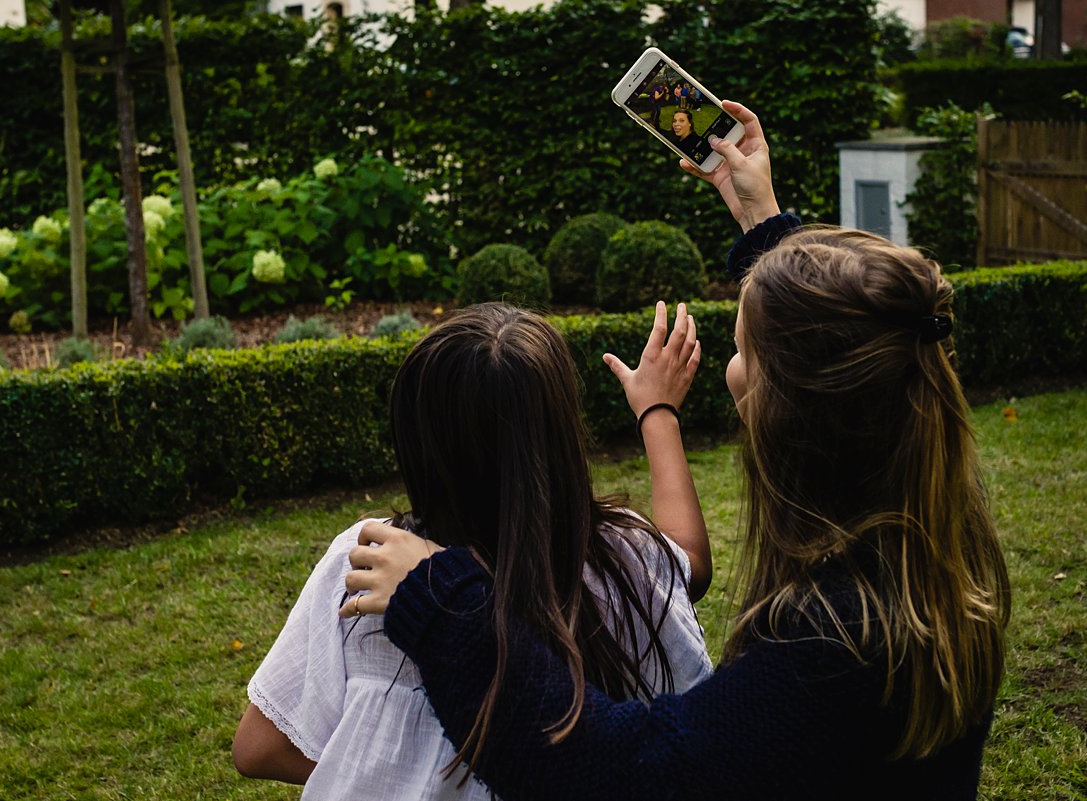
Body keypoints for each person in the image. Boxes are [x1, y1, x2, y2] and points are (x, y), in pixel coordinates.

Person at [340, 100, 1012, 801]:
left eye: (743, 349)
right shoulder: (942, 530)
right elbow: (865, 352)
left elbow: (622, 773)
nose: (730, 369)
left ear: (794, 413)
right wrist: (765, 221)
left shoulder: (835, 640)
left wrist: (444, 600)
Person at [232, 301, 716, 799]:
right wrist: (657, 413)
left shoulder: (365, 563)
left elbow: (258, 747)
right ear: (561, 435)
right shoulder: (624, 561)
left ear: (416, 442)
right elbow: (689, 565)